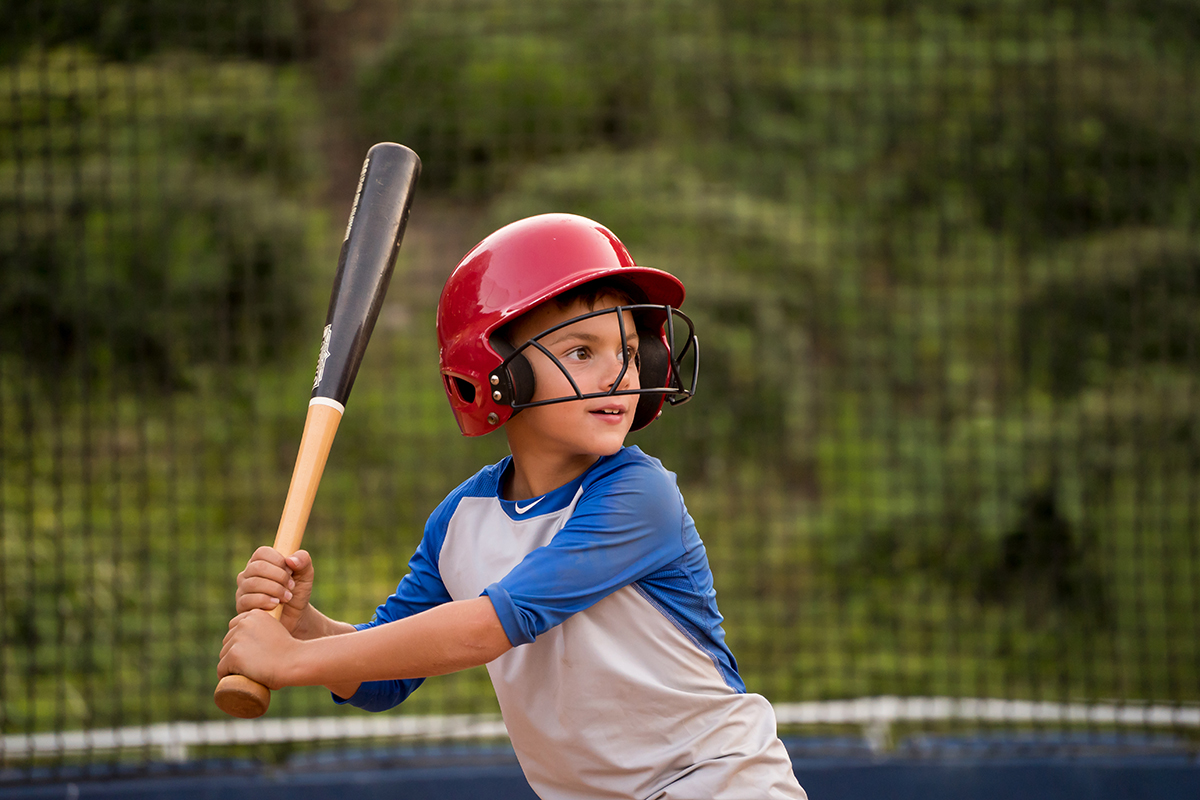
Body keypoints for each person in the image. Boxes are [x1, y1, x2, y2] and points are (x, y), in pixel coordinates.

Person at [218, 213, 806, 800]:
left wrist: (291, 664)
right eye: (582, 352)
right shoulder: (461, 519)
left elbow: (492, 625)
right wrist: (304, 627)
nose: (621, 374)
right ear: (498, 374)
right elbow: (383, 677)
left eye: (629, 349)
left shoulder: (637, 494)